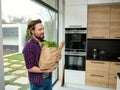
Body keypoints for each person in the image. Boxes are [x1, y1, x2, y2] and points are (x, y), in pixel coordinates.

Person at [22, 19, 61, 90]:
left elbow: (50, 58)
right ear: (32, 31)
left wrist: (56, 57)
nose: (43, 31)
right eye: (40, 29)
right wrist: (46, 70)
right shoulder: (28, 46)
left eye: (43, 29)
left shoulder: (45, 43)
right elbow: (29, 67)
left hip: (48, 79)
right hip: (37, 82)